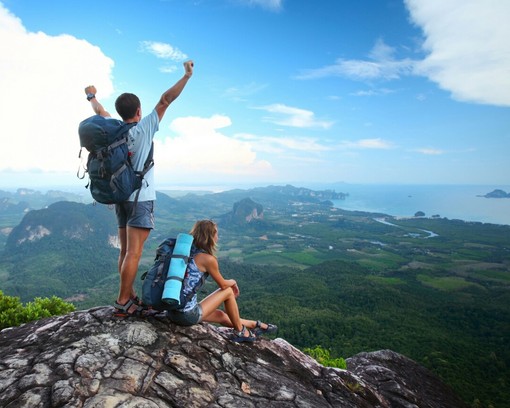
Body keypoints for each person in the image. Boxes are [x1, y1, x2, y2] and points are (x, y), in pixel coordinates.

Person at [84, 60, 194, 317]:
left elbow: (100, 112)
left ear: (120, 112)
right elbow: (166, 99)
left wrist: (91, 96)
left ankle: (128, 293)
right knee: (134, 252)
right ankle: (123, 301)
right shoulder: (144, 128)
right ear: (139, 110)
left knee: (124, 251)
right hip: (140, 199)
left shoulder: (115, 131)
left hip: (120, 197)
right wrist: (186, 76)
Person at [168, 219, 278, 342]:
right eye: (216, 234)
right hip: (186, 315)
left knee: (220, 315)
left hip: (172, 311)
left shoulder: (184, 253)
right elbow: (223, 285)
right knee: (229, 291)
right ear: (210, 237)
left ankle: (255, 325)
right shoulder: (207, 259)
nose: (218, 237)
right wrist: (233, 281)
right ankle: (241, 332)